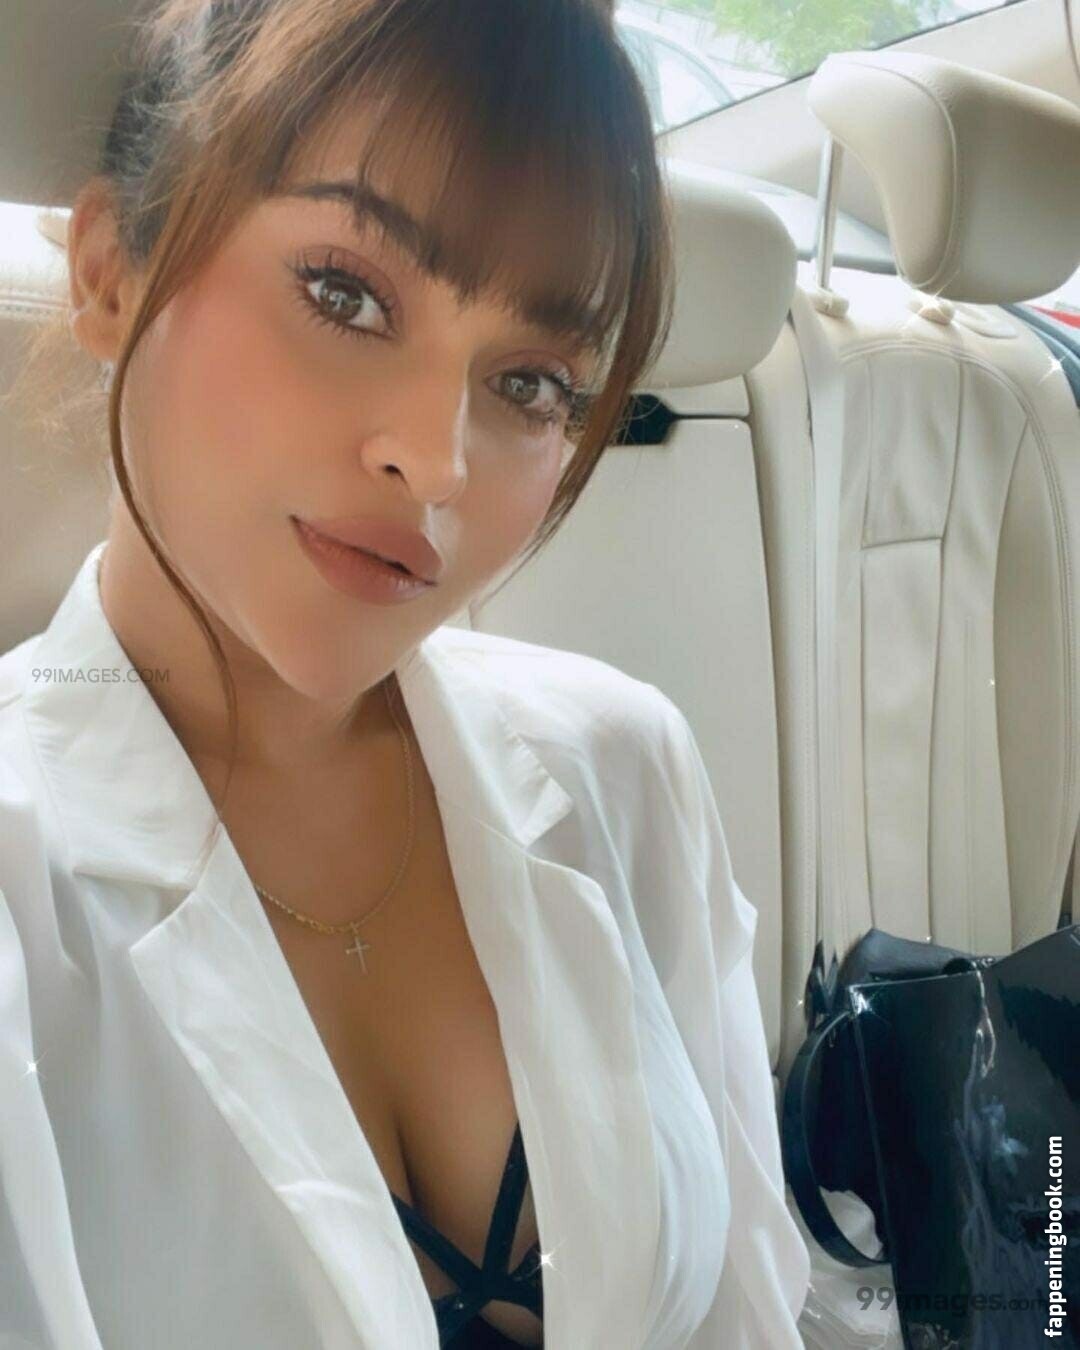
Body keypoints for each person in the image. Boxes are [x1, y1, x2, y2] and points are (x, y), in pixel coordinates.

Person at [0, 0, 809, 1346]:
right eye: (345, 295)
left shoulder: (621, 766)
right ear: (108, 277)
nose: (436, 461)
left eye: (532, 383)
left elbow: (743, 1315)